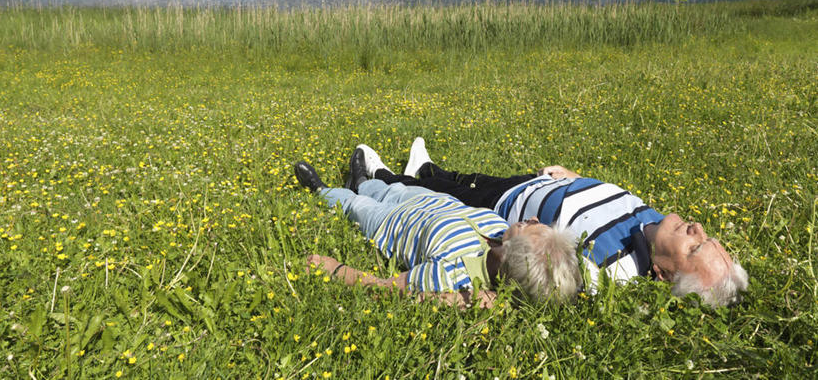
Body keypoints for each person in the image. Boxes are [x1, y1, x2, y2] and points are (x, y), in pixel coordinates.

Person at [356, 138, 748, 307]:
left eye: (694, 247)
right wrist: (574, 177)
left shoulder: (613, 272)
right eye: (706, 237)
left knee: (452, 193)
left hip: (509, 208)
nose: (696, 228)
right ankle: (425, 167)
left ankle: (379, 178)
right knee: (464, 177)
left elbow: (543, 283)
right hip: (540, 183)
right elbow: (611, 203)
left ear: (662, 275)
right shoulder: (658, 225)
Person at [293, 154, 581, 308]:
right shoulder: (500, 230)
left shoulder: (452, 275)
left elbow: (389, 289)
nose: (530, 218)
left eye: (527, 227)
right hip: (423, 199)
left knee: (356, 205)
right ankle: (360, 180)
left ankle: (322, 190)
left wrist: (335, 268)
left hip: (389, 224)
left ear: (507, 257)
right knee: (385, 188)